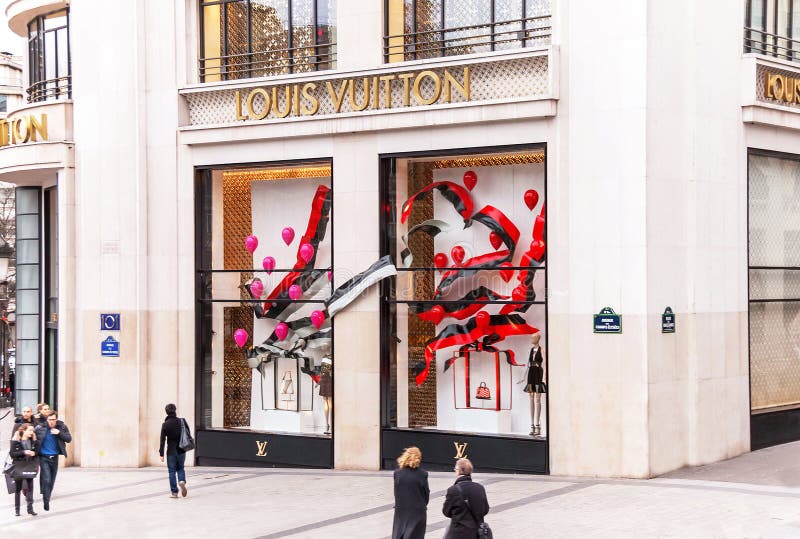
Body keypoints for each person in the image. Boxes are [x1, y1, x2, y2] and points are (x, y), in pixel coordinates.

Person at [34, 410, 72, 511]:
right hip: (43, 457)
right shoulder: (40, 428)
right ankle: (46, 501)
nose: (51, 422)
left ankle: (47, 496)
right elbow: (32, 439)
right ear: (47, 419)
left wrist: (59, 433)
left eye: (53, 420)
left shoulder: (62, 427)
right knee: (47, 479)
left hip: (55, 457)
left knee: (52, 481)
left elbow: (69, 439)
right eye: (50, 420)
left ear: (56, 419)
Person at [442, 458, 489, 539]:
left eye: (455, 469)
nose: (455, 470)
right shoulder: (480, 488)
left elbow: (446, 512)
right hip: (476, 533)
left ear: (459, 471)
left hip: (458, 533)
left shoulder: (453, 490)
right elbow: (485, 509)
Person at [391, 446, 429, 539]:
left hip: (401, 512)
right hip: (417, 512)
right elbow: (426, 495)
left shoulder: (397, 473)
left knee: (399, 534)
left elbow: (396, 493)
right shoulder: (422, 474)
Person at [159, 403, 189, 498]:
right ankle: (181, 481)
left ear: (166, 412)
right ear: (175, 410)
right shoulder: (181, 421)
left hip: (171, 451)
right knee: (180, 468)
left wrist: (161, 453)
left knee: (171, 471)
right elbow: (187, 433)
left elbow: (162, 440)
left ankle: (174, 493)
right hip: (181, 449)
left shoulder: (165, 425)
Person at [9, 423, 39, 517]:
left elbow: (37, 451)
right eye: (30, 430)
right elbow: (12, 454)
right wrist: (24, 452)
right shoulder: (16, 440)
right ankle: (17, 510)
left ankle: (30, 509)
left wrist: (34, 453)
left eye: (32, 430)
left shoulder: (32, 440)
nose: (32, 432)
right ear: (24, 430)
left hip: (29, 466)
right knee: (18, 489)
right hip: (19, 466)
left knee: (30, 488)